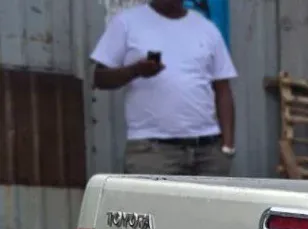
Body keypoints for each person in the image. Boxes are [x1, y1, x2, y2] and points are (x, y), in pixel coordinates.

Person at [90, 0, 237, 176]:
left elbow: (223, 89)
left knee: (211, 204)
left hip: (208, 152)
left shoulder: (207, 29)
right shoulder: (127, 23)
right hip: (153, 153)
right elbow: (99, 78)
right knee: (153, 205)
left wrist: (227, 146)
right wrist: (136, 71)